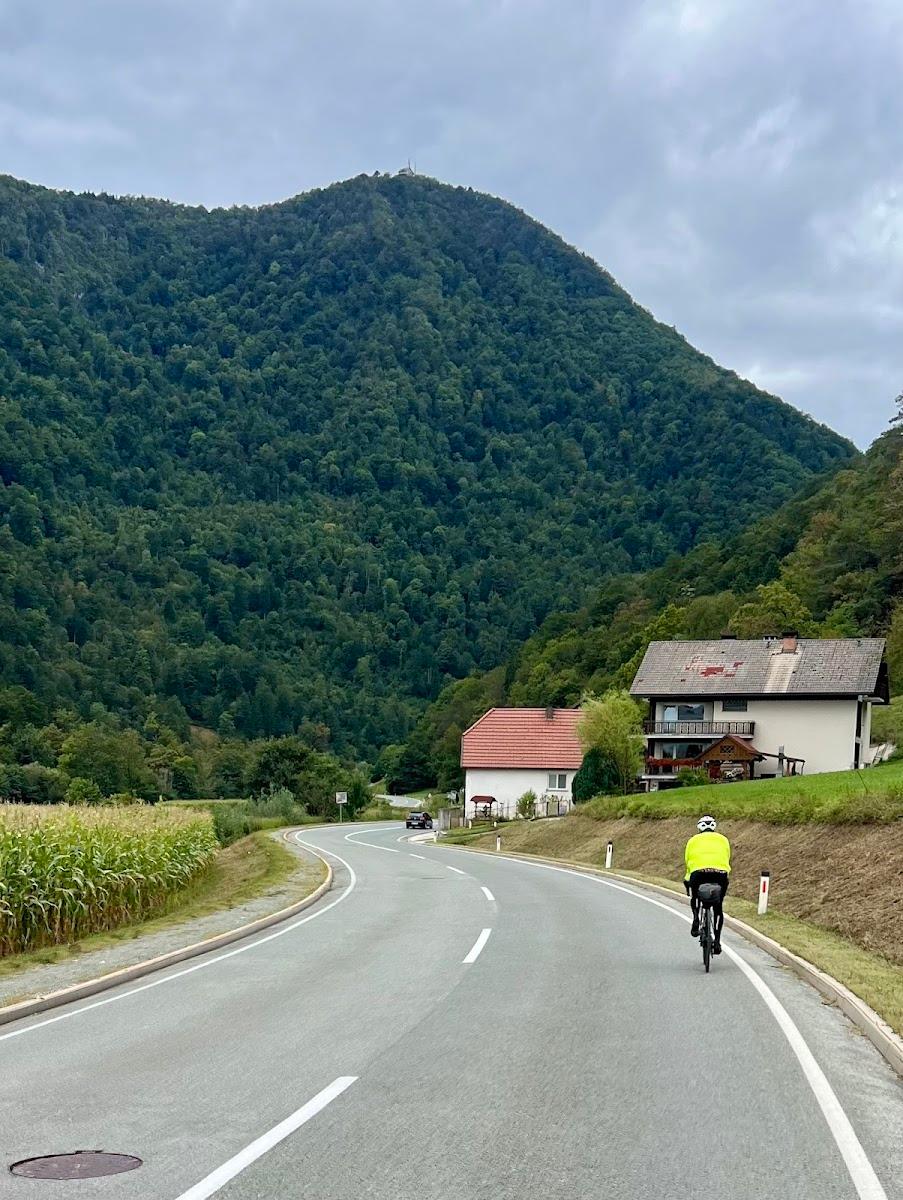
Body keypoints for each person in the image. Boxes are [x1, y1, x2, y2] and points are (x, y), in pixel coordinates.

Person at [684, 815, 731, 954]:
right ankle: (716, 941)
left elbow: (688, 861)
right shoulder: (723, 839)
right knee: (718, 907)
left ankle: (696, 919)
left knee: (695, 897)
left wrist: (687, 879)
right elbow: (726, 858)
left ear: (699, 827)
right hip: (720, 874)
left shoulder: (692, 841)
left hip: (699, 873)